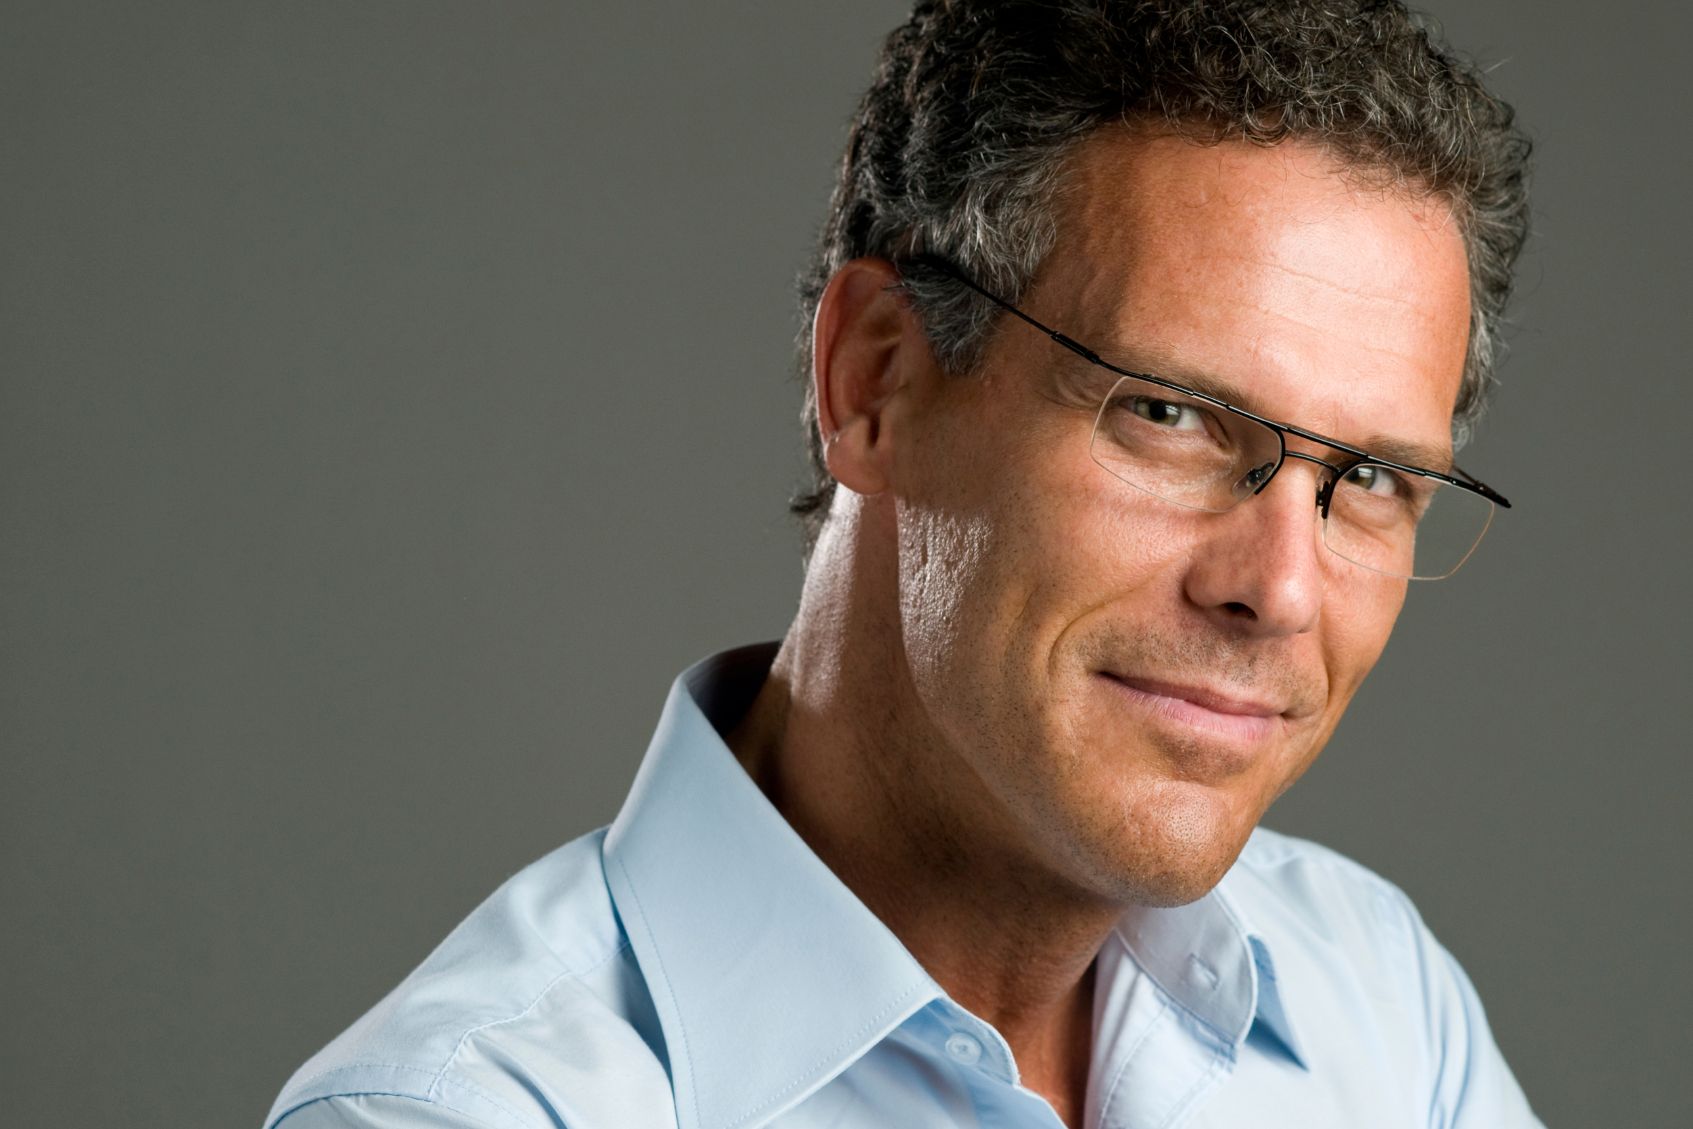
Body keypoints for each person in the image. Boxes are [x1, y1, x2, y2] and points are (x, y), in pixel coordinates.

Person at [265, 2, 1541, 1126]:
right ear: (875, 382)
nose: (1282, 591)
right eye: (1169, 415)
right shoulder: (457, 1112)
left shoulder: (1386, 1012)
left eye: (1370, 480)